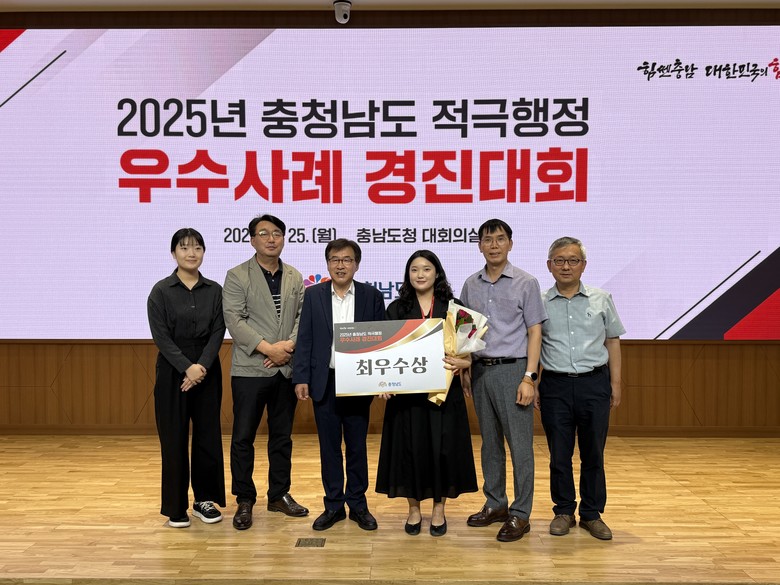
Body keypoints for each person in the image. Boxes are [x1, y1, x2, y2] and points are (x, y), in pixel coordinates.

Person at [376, 250, 478, 537]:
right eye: (414, 269)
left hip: (443, 395)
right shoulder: (396, 308)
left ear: (437, 273)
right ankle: (413, 509)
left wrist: (466, 362)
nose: (420, 274)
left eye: (426, 269)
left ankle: (438, 509)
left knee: (443, 451)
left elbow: (470, 350)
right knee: (409, 451)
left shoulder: (455, 307)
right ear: (408, 274)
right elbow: (384, 354)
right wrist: (383, 383)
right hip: (406, 398)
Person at [459, 218, 547, 542]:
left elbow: (535, 331)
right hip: (481, 370)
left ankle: (521, 513)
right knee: (490, 444)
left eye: (499, 239)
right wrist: (466, 368)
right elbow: (465, 331)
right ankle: (496, 503)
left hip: (514, 370)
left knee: (520, 446)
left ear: (510, 243)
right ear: (479, 246)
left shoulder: (526, 282)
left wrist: (530, 377)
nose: (493, 245)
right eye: (487, 240)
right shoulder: (471, 284)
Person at [293, 239, 386, 531]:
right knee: (329, 448)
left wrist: (381, 378)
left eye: (347, 260)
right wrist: (301, 377)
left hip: (358, 381)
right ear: (327, 264)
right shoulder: (314, 295)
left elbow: (381, 340)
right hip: (325, 381)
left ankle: (358, 504)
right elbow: (305, 337)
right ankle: (333, 506)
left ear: (356, 264)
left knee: (357, 447)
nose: (340, 265)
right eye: (335, 260)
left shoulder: (371, 296)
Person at [223, 214, 308, 531]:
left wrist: (288, 346)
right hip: (250, 369)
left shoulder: (295, 276)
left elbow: (302, 317)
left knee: (282, 437)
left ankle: (279, 495)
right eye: (263, 233)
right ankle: (244, 499)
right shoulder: (237, 275)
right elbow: (234, 320)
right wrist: (268, 348)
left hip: (285, 369)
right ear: (252, 239)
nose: (271, 239)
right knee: (243, 437)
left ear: (284, 238)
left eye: (277, 233)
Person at [536, 236, 625, 541]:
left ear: (583, 265)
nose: (566, 266)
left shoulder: (601, 298)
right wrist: (532, 380)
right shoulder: (539, 301)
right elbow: (532, 344)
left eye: (573, 260)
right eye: (559, 260)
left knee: (593, 453)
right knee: (559, 455)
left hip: (594, 384)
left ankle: (591, 513)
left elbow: (612, 340)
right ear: (549, 265)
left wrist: (615, 383)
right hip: (555, 385)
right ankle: (563, 510)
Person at [147, 228, 226, 528]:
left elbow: (218, 331)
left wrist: (201, 367)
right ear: (173, 253)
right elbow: (161, 337)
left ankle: (204, 500)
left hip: (207, 370)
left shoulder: (215, 290)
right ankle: (175, 506)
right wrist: (186, 368)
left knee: (208, 437)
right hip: (172, 371)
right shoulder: (161, 291)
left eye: (197, 248)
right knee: (174, 439)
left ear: (204, 252)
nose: (191, 253)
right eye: (184, 247)